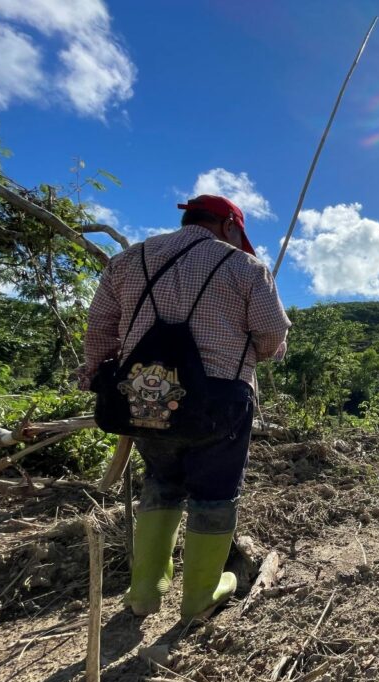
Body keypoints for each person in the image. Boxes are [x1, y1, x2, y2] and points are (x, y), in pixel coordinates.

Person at [80, 194, 290, 622]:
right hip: (220, 401)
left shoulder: (128, 260)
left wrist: (97, 373)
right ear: (229, 227)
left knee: (161, 479)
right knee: (215, 492)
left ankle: (145, 591)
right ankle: (200, 597)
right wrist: (261, 350)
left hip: (144, 397)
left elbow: (99, 331)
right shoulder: (246, 267)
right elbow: (270, 338)